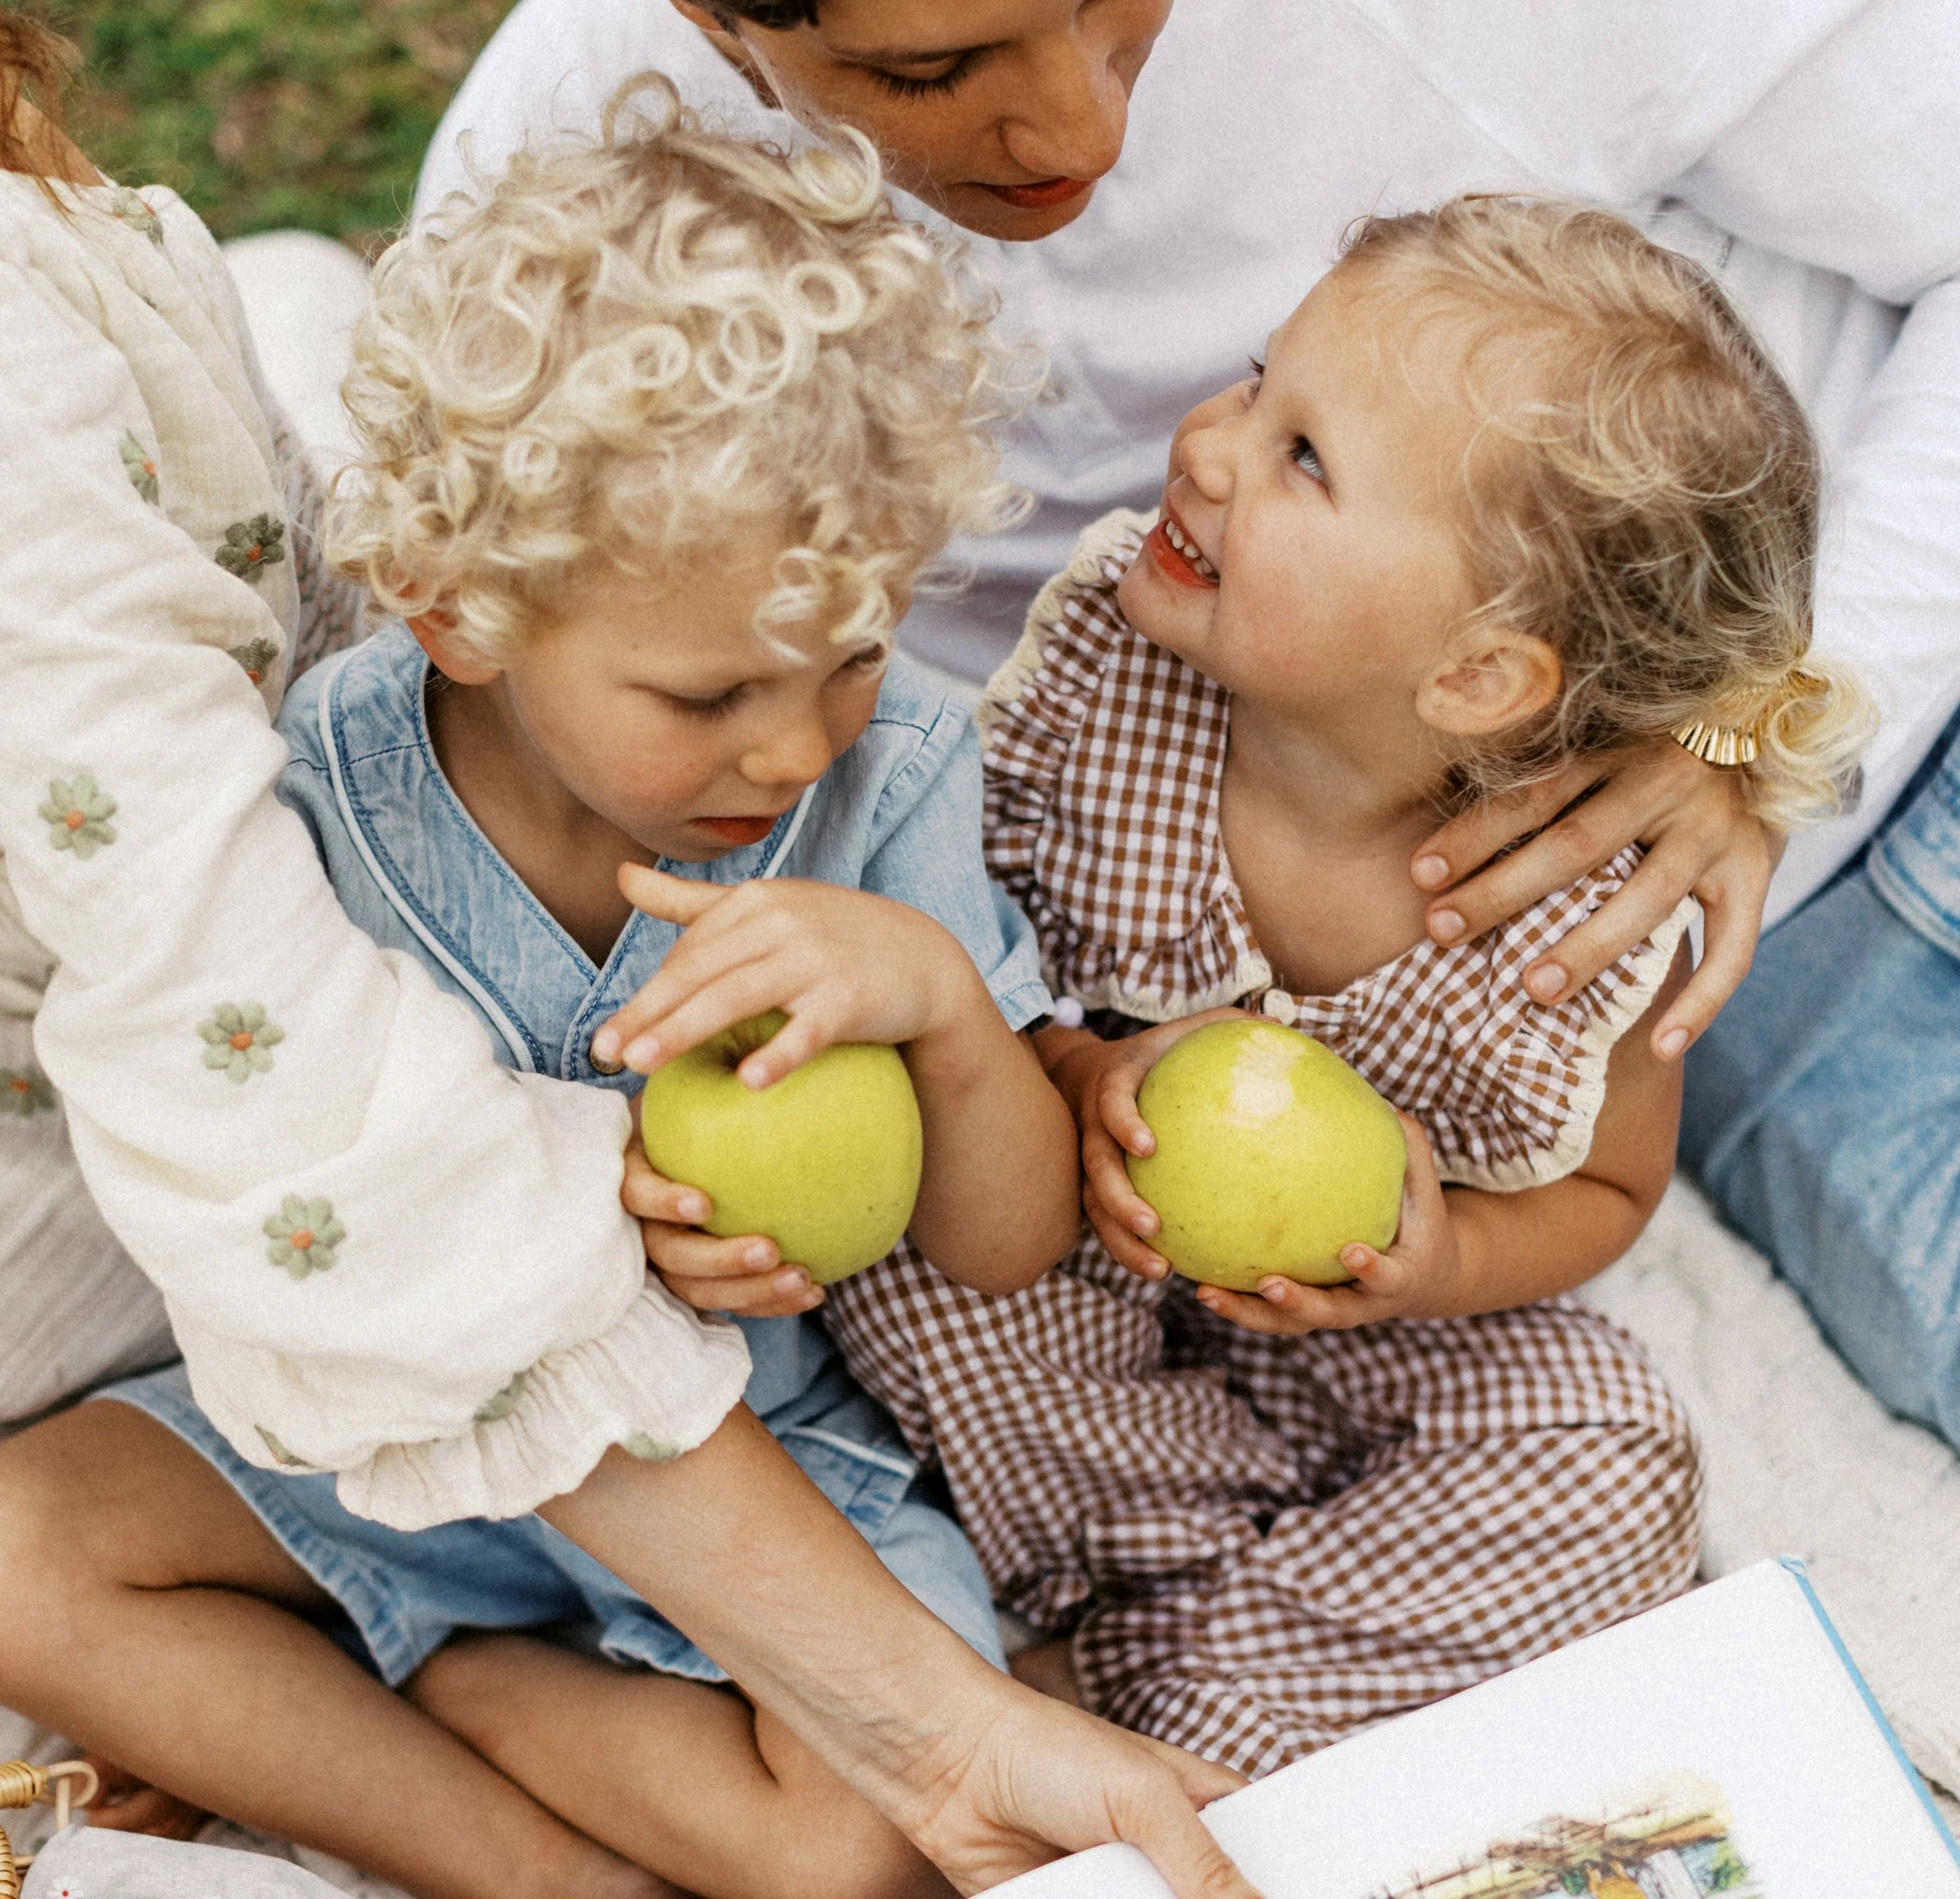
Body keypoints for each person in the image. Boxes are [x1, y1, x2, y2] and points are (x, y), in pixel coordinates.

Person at [0, 22, 1257, 1897]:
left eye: (845, 652)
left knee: (849, 1847)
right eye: (705, 693)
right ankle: (511, 1834)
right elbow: (300, 1151)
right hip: (375, 1423)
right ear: (457, 612)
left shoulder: (888, 779)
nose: (788, 749)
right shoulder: (333, 770)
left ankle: (449, 1680)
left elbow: (1001, 1244)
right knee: (25, 1551)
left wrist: (928, 1000)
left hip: (763, 1434)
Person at [416, 0, 1960, 1451]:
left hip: (1812, 792)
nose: (1077, 126)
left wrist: (1772, 723)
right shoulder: (572, 202)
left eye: (1110, 4)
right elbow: (512, 687)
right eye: (931, 70)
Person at [753, 197, 1856, 1773]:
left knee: (1615, 1447)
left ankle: (1143, 1663)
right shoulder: (1103, 693)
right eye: (1259, 383)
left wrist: (1439, 1254)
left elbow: (1610, 1189)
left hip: (1353, 1341)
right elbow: (966, 961)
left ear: (1475, 673)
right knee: (926, 1269)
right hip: (1060, 1251)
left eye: (1300, 457)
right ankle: (1151, 1619)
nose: (1205, 446)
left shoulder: (1583, 918)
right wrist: (1070, 1076)